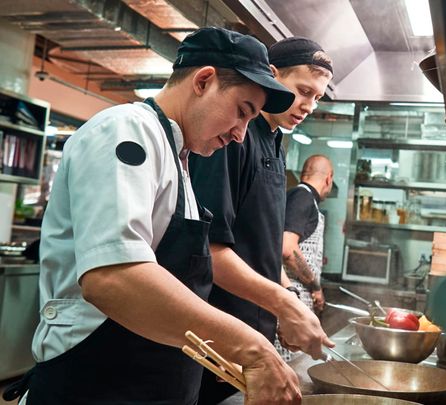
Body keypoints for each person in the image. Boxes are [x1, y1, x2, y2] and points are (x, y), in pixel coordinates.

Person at [11, 27, 304, 405]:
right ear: (203, 81)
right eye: (241, 112)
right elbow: (114, 277)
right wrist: (251, 348)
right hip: (94, 385)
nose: (240, 135)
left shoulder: (179, 158)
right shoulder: (126, 130)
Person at [189, 37, 335, 404]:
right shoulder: (230, 138)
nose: (309, 106)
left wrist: (284, 301)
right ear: (272, 76)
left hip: (252, 335)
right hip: (217, 333)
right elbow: (210, 249)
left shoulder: (274, 142)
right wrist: (284, 305)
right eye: (303, 91)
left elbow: (263, 244)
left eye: (317, 97)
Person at [275, 155, 333, 362]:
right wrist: (315, 286)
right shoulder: (303, 197)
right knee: (285, 364)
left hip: (291, 303)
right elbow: (287, 248)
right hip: (291, 299)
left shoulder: (296, 196)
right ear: (329, 179)